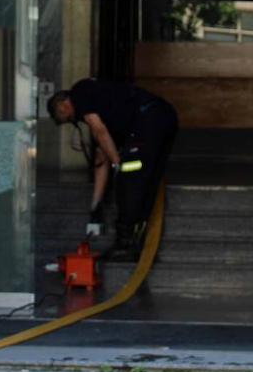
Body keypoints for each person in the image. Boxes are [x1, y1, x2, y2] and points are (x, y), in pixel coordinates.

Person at [47, 78, 178, 262]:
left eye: (67, 119)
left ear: (63, 106)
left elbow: (100, 133)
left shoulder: (81, 93)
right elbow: (101, 159)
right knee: (145, 179)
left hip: (150, 118)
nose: (72, 121)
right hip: (162, 118)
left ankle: (125, 242)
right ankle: (137, 240)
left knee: (130, 177)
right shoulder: (103, 109)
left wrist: (118, 165)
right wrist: (95, 205)